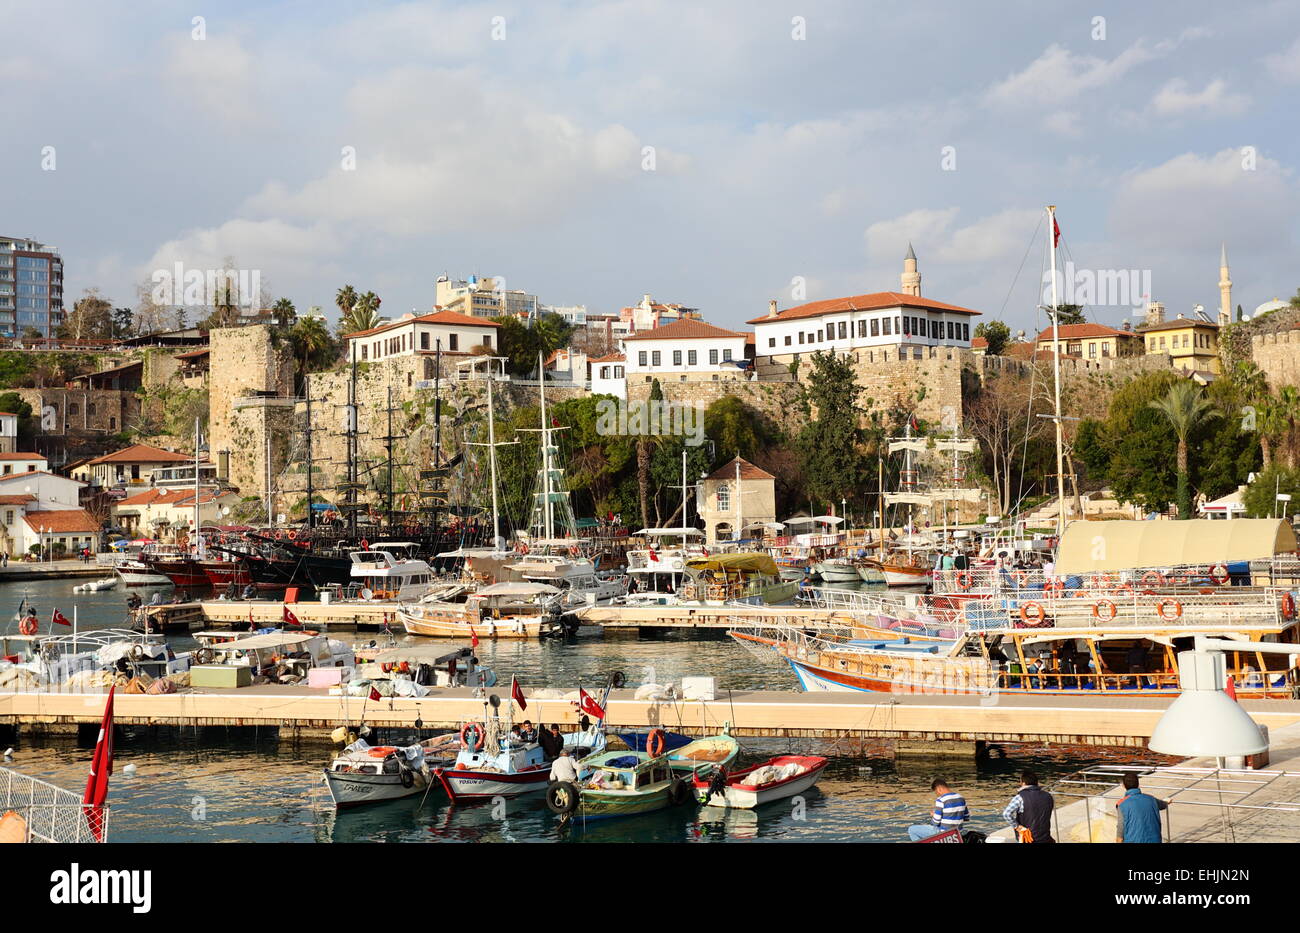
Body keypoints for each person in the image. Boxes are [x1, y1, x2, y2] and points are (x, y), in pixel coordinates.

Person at [1115, 772, 1168, 843]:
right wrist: (1167, 801)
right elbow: (1163, 804)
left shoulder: (1122, 804)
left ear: (1123, 786)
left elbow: (1120, 829)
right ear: (1138, 785)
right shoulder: (1151, 799)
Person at [1003, 770, 1054, 843]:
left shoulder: (1020, 797)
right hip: (1045, 837)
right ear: (1036, 782)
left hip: (1028, 838)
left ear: (1023, 783)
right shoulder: (1048, 796)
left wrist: (1017, 826)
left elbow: (1006, 814)